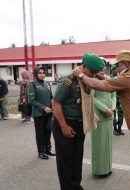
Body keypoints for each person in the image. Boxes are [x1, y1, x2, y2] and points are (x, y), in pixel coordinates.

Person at [73, 50, 130, 190]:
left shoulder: (129, 77)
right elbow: (115, 81)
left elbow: (97, 85)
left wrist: (80, 74)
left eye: (117, 65)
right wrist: (102, 75)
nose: (115, 68)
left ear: (124, 65)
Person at [52, 53, 105, 190]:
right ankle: (67, 187)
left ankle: (75, 185)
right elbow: (56, 103)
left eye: (95, 73)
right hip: (66, 123)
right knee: (65, 160)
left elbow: (103, 79)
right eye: (92, 72)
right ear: (84, 66)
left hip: (80, 123)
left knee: (77, 158)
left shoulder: (86, 78)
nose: (94, 75)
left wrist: (92, 75)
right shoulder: (68, 81)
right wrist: (64, 126)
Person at [91, 65, 116, 177]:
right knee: (99, 144)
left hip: (109, 114)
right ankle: (99, 170)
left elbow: (114, 94)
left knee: (108, 143)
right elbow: (91, 98)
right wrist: (105, 109)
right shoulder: (92, 80)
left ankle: (108, 167)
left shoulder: (109, 79)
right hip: (99, 115)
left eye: (103, 67)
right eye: (99, 67)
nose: (102, 70)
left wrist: (113, 107)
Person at [28, 66, 55, 160]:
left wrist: (52, 104)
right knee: (40, 133)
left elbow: (51, 97)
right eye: (40, 73)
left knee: (48, 132)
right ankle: (41, 151)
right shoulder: (33, 85)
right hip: (39, 114)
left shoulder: (47, 83)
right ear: (36, 74)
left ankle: (48, 149)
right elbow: (31, 100)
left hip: (49, 113)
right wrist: (43, 108)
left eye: (43, 73)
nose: (42, 74)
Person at [110, 64, 124, 135]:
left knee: (121, 113)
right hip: (113, 98)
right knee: (114, 113)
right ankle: (115, 128)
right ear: (112, 70)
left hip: (120, 98)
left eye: (116, 69)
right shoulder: (109, 78)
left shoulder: (121, 77)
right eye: (114, 69)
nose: (116, 70)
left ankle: (119, 128)